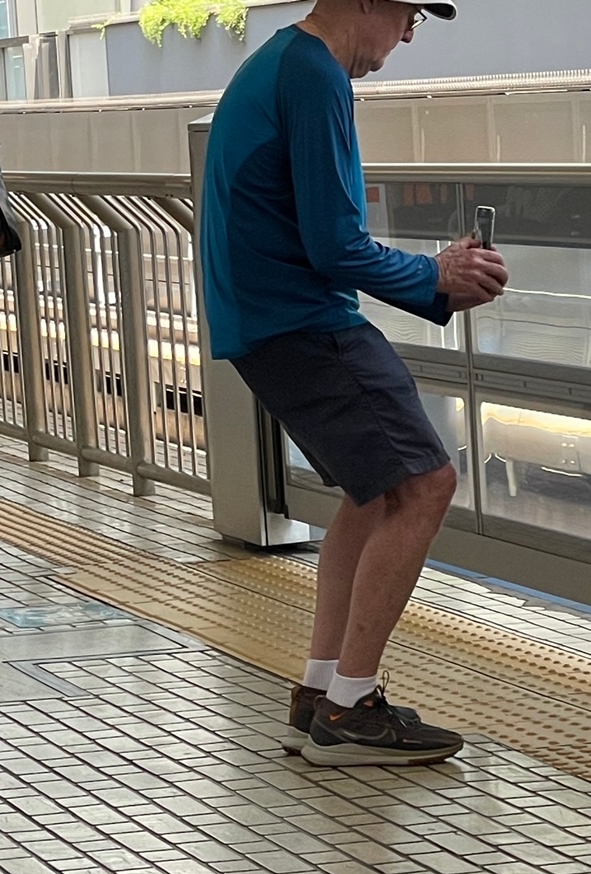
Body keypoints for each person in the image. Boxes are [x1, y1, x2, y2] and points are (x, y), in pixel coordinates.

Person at [200, 0, 509, 766]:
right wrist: (436, 277)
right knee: (426, 483)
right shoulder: (315, 75)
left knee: (373, 495)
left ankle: (322, 690)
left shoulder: (276, 63)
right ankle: (350, 709)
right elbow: (335, 245)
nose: (408, 33)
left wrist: (433, 279)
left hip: (264, 319)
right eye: (409, 14)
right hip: (302, 322)